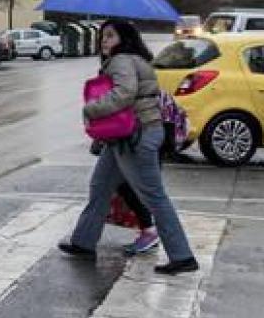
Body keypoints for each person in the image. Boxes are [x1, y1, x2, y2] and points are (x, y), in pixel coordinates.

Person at [60, 19, 198, 274]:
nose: (104, 40)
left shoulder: (122, 60)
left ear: (123, 39)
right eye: (103, 36)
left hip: (137, 136)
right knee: (100, 187)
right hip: (125, 137)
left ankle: (182, 256)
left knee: (154, 196)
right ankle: (83, 241)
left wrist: (91, 108)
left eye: (110, 36)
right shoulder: (135, 59)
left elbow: (124, 93)